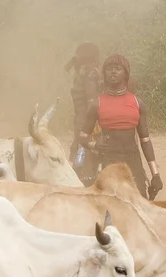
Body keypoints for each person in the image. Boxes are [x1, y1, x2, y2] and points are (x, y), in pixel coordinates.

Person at [79, 54, 163, 199]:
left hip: (133, 161)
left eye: (117, 68)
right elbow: (83, 137)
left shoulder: (137, 103)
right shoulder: (97, 104)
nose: (113, 72)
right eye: (109, 69)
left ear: (126, 74)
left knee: (139, 204)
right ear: (104, 74)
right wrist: (94, 145)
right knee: (109, 206)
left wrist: (155, 174)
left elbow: (145, 140)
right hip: (108, 162)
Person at [65, 42, 103, 186]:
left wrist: (92, 125)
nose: (76, 56)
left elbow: (92, 101)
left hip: (87, 121)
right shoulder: (84, 72)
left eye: (79, 53)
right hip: (83, 120)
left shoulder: (89, 73)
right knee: (84, 153)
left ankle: (87, 183)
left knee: (86, 153)